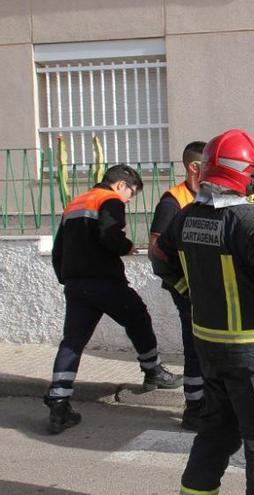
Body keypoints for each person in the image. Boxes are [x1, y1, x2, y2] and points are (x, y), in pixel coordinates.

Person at [150, 129, 254, 495]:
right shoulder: (253, 221)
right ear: (246, 174)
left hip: (209, 348)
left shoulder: (186, 216)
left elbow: (158, 256)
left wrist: (190, 293)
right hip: (253, 354)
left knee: (217, 431)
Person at [46, 164, 183, 434]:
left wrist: (68, 279)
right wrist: (127, 246)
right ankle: (152, 370)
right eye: (130, 194)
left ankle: (59, 401)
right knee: (138, 317)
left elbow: (58, 248)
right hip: (104, 282)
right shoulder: (109, 199)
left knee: (73, 343)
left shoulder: (75, 203)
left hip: (76, 285)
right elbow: (109, 236)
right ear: (121, 185)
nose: (128, 200)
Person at [149, 140, 206, 431]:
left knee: (208, 346)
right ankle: (194, 407)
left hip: (206, 291)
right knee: (195, 345)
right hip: (188, 291)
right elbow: (157, 252)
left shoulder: (206, 197)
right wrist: (185, 288)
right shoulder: (173, 201)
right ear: (194, 167)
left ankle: (207, 403)